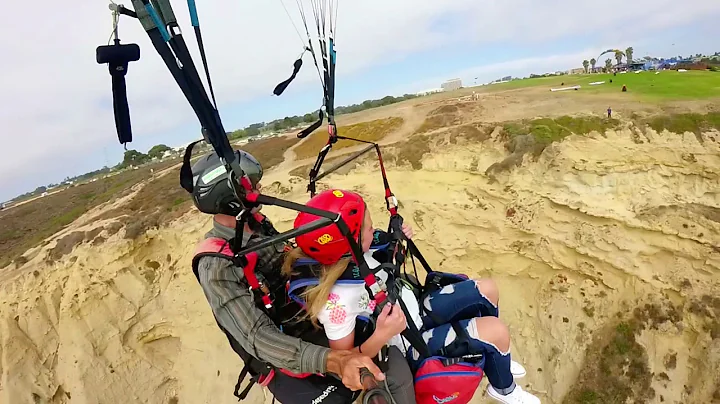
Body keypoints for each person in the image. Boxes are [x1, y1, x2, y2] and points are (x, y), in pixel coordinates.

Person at [284, 189, 541, 404]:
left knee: (487, 289)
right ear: (349, 243)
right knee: (496, 331)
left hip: (414, 310)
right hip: (408, 341)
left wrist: (399, 239)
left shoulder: (357, 252)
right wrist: (383, 334)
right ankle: (504, 388)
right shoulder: (336, 303)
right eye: (369, 228)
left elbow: (384, 260)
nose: (374, 232)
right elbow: (346, 361)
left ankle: (498, 361)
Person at [185, 150, 387, 404]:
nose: (260, 188)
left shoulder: (257, 223)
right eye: (254, 186)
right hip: (279, 354)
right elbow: (257, 336)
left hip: (305, 318)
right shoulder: (216, 265)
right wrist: (334, 361)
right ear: (231, 199)